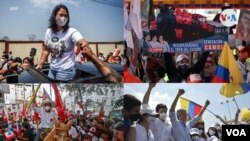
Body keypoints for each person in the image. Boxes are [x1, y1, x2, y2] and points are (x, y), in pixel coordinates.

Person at [36, 4, 88, 81]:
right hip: (52, 70)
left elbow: (81, 41)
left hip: (66, 71)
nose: (63, 18)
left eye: (65, 16)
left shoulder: (71, 31)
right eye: (60, 15)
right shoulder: (49, 31)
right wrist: (40, 65)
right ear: (54, 16)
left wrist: (83, 43)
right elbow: (46, 50)